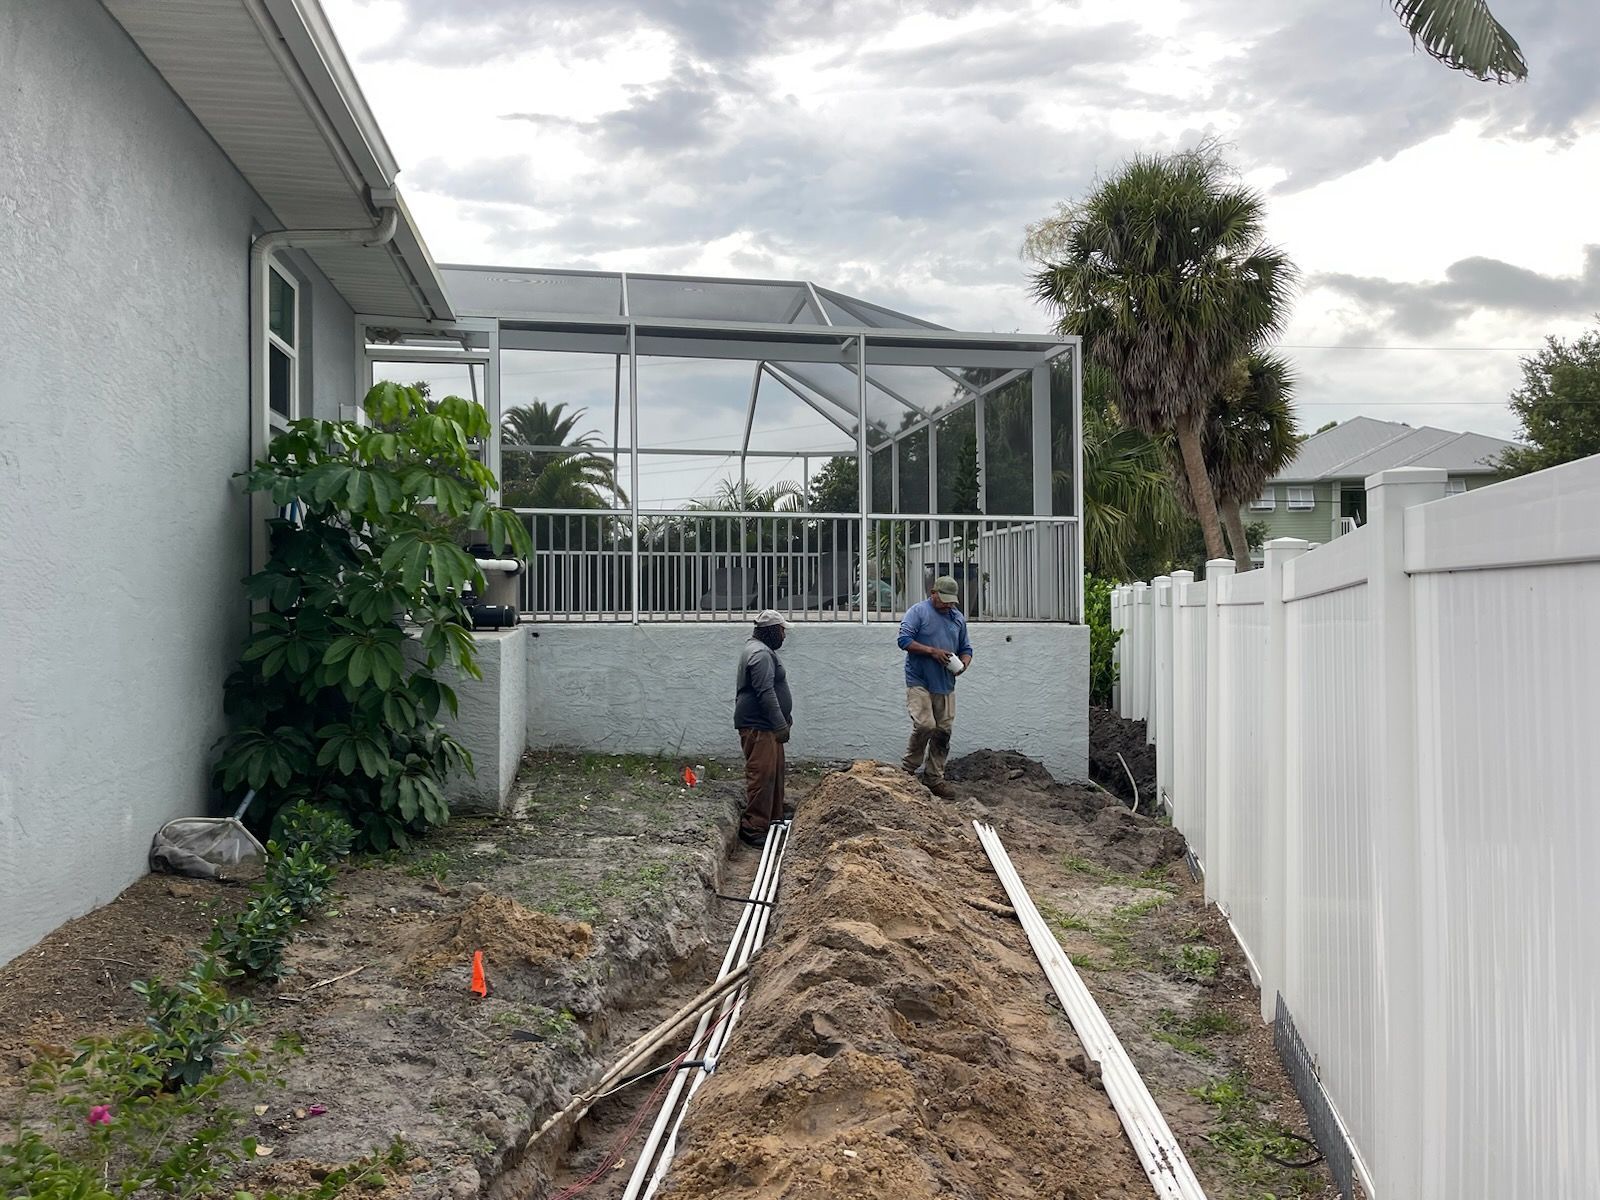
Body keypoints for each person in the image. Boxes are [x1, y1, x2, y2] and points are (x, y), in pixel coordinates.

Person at [897, 575, 973, 798]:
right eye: (944, 600)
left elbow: (966, 648)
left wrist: (964, 664)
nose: (948, 604)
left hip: (945, 683)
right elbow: (903, 641)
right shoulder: (918, 612)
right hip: (919, 680)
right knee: (925, 725)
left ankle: (934, 777)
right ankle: (908, 770)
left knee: (943, 731)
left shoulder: (957, 619)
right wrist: (933, 651)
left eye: (951, 601)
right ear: (933, 593)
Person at [734, 610, 794, 847]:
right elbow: (765, 692)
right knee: (762, 774)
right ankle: (754, 826)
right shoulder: (759, 655)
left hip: (765, 725)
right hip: (759, 726)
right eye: (781, 631)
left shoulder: (760, 650)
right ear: (770, 631)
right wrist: (780, 724)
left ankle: (774, 815)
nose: (784, 636)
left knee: (774, 771)